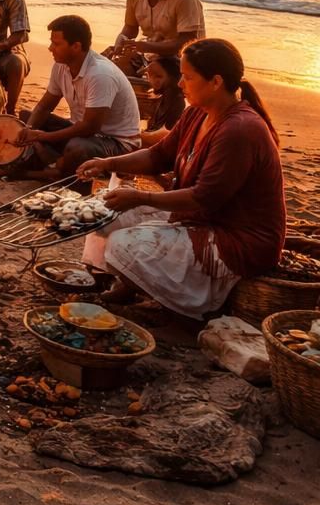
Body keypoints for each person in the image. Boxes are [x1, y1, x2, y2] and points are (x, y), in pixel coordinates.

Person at [79, 39, 285, 318]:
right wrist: (107, 162)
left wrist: (140, 198)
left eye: (187, 77)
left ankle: (173, 304)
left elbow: (204, 198)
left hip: (236, 239)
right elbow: (157, 156)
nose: (180, 84)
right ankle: (129, 284)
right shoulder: (197, 112)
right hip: (197, 217)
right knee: (101, 211)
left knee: (122, 244)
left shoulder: (240, 129)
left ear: (215, 82)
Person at [15, 15, 141, 180]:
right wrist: (29, 130)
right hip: (84, 133)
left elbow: (89, 127)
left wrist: (41, 136)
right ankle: (56, 161)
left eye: (56, 44)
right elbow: (45, 106)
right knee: (26, 117)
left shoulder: (100, 74)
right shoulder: (60, 66)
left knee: (77, 148)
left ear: (76, 46)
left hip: (117, 143)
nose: (50, 48)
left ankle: (45, 171)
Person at [140, 54, 186, 147]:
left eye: (159, 76)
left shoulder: (177, 103)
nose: (153, 80)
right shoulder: (160, 100)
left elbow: (166, 138)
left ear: (174, 77)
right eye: (149, 75)